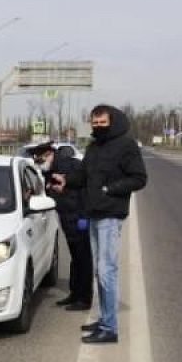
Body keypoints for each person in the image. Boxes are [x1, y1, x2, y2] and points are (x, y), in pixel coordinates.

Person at [52, 106, 146, 344]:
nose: (98, 126)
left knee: (107, 272)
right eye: (94, 122)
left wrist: (109, 189)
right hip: (93, 214)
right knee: (99, 271)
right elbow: (83, 177)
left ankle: (109, 328)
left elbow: (139, 178)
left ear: (112, 122)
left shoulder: (126, 145)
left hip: (110, 215)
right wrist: (66, 182)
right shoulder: (94, 147)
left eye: (102, 122)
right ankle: (104, 319)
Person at [30, 141, 94, 311]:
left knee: (83, 259)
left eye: (40, 160)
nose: (40, 164)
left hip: (80, 219)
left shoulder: (70, 165)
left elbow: (85, 188)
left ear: (49, 154)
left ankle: (84, 299)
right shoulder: (51, 170)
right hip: (68, 219)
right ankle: (75, 294)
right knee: (76, 259)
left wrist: (84, 217)